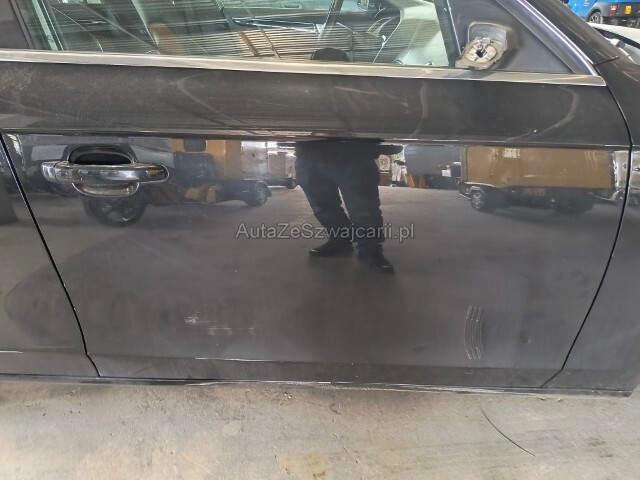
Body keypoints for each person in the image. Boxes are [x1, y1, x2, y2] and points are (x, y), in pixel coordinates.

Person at [295, 48, 401, 274]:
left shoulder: (360, 90)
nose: (325, 72)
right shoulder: (300, 91)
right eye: (320, 66)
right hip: (310, 156)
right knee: (323, 206)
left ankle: (370, 250)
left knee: (363, 209)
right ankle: (341, 240)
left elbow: (378, 119)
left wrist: (378, 144)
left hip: (352, 156)